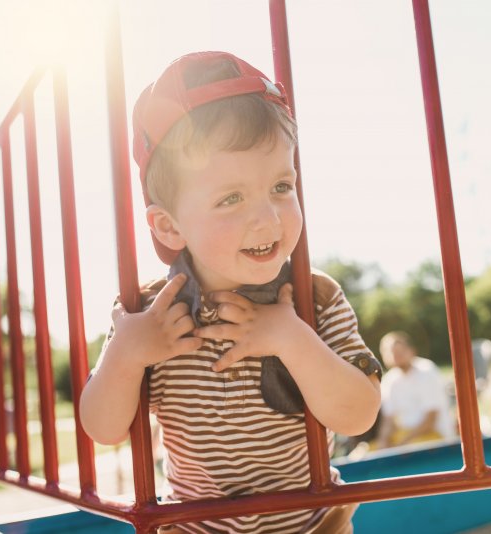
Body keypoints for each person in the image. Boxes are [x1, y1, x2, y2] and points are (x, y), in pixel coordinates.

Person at [79, 51, 382, 534]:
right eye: (231, 198)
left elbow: (359, 416)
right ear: (169, 225)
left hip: (313, 524)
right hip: (198, 527)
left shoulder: (313, 298)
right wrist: (127, 355)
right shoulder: (147, 312)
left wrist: (293, 339)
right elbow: (104, 429)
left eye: (282, 186)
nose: (268, 218)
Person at [375, 331, 455, 449]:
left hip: (435, 437)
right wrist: (383, 443)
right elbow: (388, 421)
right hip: (405, 437)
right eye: (391, 353)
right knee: (363, 452)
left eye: (400, 352)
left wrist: (402, 444)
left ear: (411, 351)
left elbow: (430, 420)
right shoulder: (389, 380)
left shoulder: (426, 371)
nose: (396, 356)